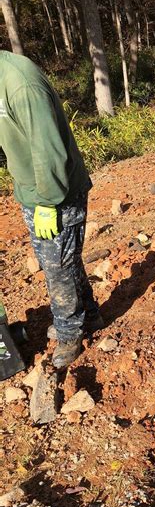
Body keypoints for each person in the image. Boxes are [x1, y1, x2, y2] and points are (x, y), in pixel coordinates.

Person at [0, 50, 103, 369]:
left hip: (55, 192)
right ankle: (92, 316)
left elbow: (49, 147)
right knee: (63, 259)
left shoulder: (20, 83)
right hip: (32, 189)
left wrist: (47, 202)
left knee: (57, 266)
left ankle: (70, 334)